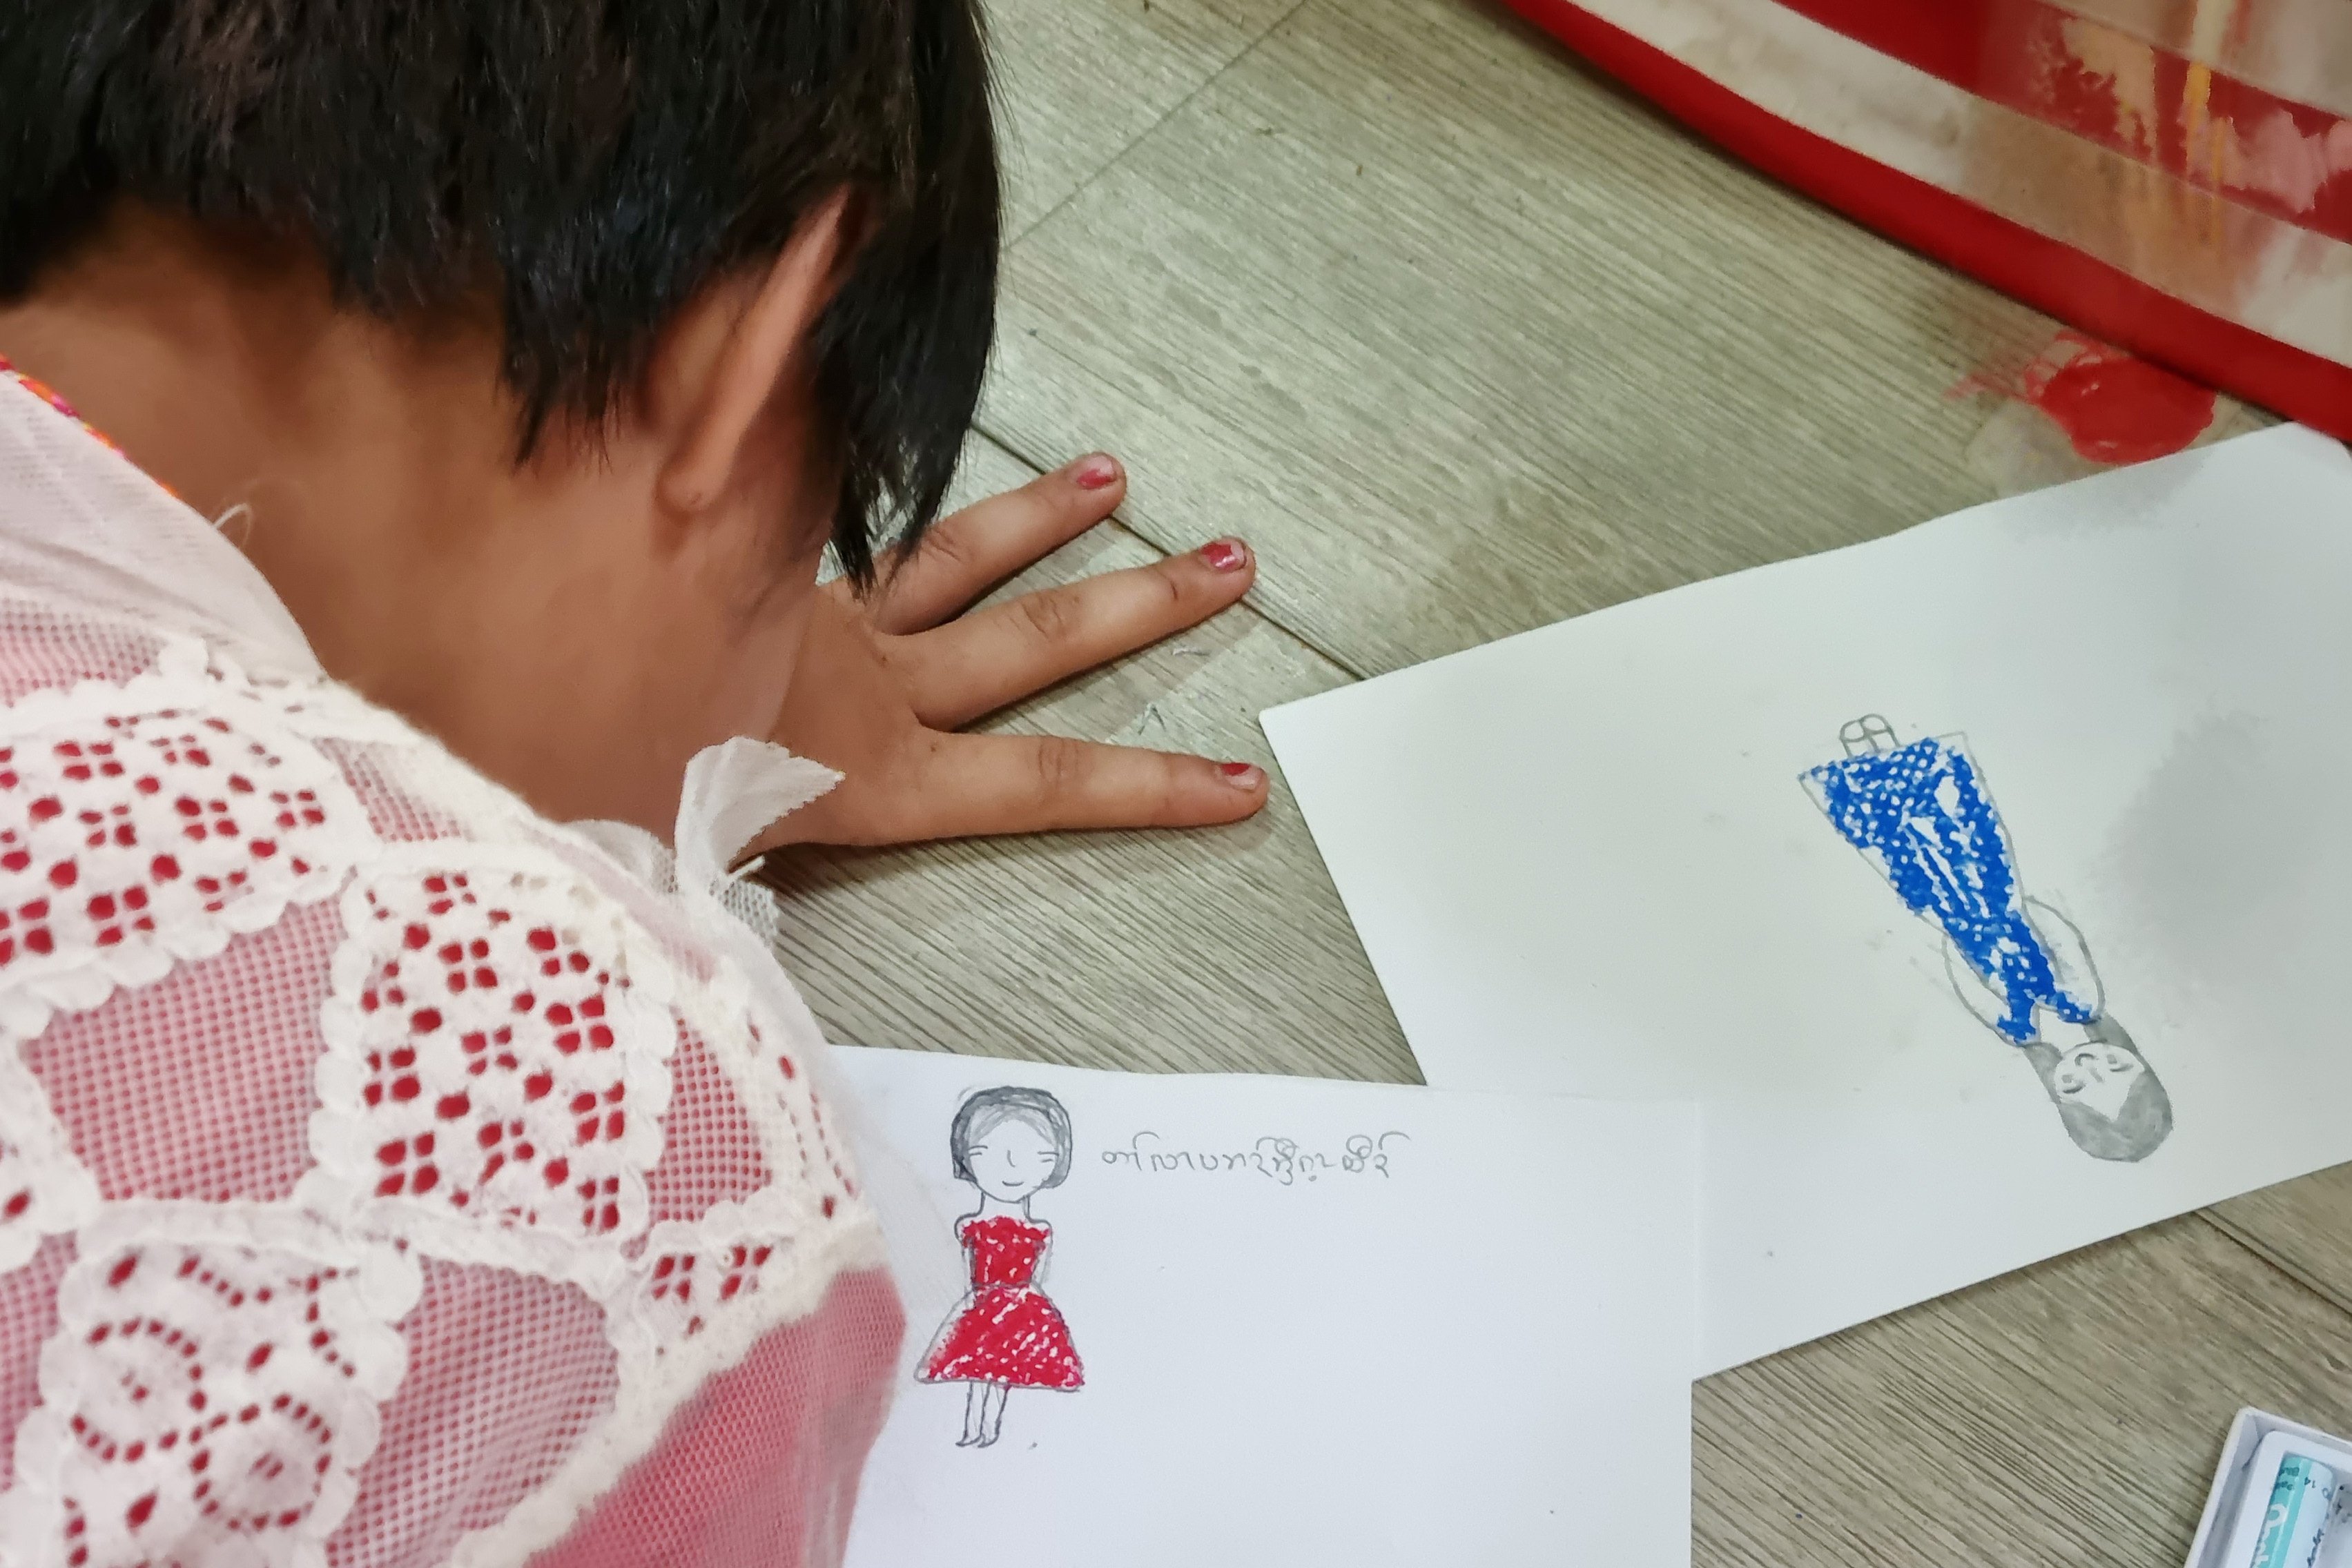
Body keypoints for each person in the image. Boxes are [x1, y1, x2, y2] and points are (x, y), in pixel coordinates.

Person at [0, 2, 1264, 1562]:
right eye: (811, 533)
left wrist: (661, 648)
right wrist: (623, 833)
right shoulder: (635, 1167)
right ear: (763, 331)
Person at [916, 1086, 1084, 1449]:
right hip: (984, 1303)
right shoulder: (970, 1227)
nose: (1011, 1167)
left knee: (1004, 1373)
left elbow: (1040, 1274)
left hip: (1021, 1308)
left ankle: (989, 1430)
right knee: (981, 1372)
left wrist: (1023, 1300)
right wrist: (973, 1302)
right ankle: (974, 1429)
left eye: (1038, 1157)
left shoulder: (1039, 1231)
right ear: (967, 1159)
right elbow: (966, 1272)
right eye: (987, 1154)